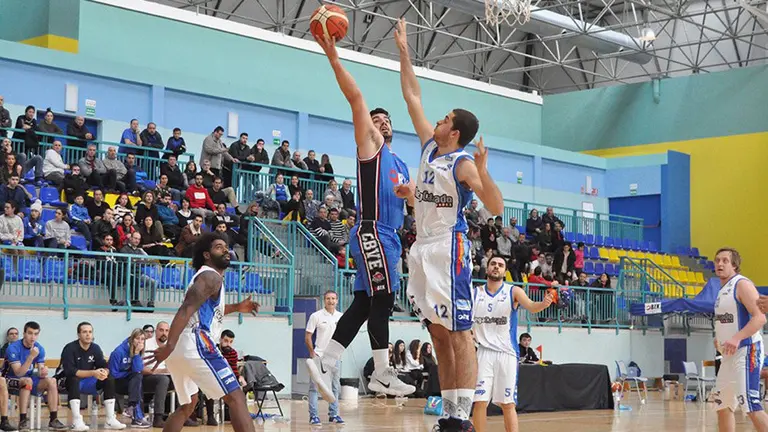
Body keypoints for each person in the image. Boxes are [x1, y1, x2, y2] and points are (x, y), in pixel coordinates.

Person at [395, 18, 504, 431]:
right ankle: (450, 410)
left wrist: (483, 171)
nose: (435, 120)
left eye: (444, 118)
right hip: (422, 246)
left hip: (449, 246)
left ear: (453, 132)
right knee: (437, 331)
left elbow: (494, 206)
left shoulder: (461, 163)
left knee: (459, 332)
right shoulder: (429, 147)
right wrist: (405, 52)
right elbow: (412, 96)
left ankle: (463, 416)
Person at [306, 30, 415, 403]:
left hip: (390, 237)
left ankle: (326, 360)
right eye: (375, 119)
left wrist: (413, 195)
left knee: (367, 303)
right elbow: (355, 97)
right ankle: (382, 373)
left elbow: (415, 200)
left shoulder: (400, 163)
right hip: (371, 231)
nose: (380, 122)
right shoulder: (370, 148)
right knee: (382, 300)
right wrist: (334, 56)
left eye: (385, 119)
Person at [144, 232, 259, 432]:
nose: (225, 250)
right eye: (218, 247)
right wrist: (168, 346)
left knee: (187, 405)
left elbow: (210, 309)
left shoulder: (208, 279)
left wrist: (237, 307)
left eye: (226, 246)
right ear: (206, 255)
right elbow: (186, 309)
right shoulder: (210, 276)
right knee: (237, 398)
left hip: (183, 347)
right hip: (195, 342)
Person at [472, 256, 552, 432]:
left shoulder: (513, 291)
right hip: (483, 353)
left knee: (507, 403)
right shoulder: (475, 293)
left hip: (506, 353)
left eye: (500, 265)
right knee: (479, 401)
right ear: (488, 268)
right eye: (493, 264)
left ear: (504, 271)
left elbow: (531, 306)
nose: (496, 267)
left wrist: (543, 304)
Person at [710, 248, 768, 432]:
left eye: (725, 261)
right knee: (722, 406)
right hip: (728, 355)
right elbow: (728, 320)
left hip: (747, 350)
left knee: (750, 406)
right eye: (717, 260)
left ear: (734, 265)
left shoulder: (741, 284)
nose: (719, 264)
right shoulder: (721, 290)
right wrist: (719, 339)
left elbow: (760, 318)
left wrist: (736, 338)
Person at [59, 321, 126, 431]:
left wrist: (105, 371)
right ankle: (77, 420)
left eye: (90, 332)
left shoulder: (95, 348)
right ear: (79, 335)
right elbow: (70, 371)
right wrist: (93, 373)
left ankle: (110, 419)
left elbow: (104, 365)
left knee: (109, 379)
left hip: (88, 382)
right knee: (74, 379)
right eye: (84, 332)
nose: (88, 334)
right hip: (68, 382)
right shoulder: (70, 348)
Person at [5, 321, 66, 430]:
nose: (33, 337)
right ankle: (23, 420)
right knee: (27, 380)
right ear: (24, 334)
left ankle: (53, 419)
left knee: (51, 381)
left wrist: (43, 372)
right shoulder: (13, 348)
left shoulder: (39, 348)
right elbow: (19, 372)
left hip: (30, 379)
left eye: (36, 334)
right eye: (30, 333)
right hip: (11, 380)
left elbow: (39, 370)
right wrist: (31, 357)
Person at [304, 291, 344, 425]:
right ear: (324, 300)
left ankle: (334, 414)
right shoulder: (316, 316)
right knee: (314, 387)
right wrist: (312, 353)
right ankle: (314, 416)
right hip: (319, 355)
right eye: (328, 298)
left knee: (334, 387)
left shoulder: (341, 317)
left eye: (333, 299)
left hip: (335, 357)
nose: (330, 301)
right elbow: (308, 336)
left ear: (337, 300)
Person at [108, 329, 151, 428]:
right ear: (132, 339)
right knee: (137, 382)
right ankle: (137, 417)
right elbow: (112, 374)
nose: (140, 342)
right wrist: (127, 374)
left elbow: (138, 370)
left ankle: (132, 409)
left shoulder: (138, 351)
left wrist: (136, 354)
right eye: (137, 338)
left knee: (138, 379)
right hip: (115, 383)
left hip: (130, 382)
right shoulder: (118, 352)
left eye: (143, 339)